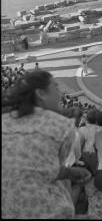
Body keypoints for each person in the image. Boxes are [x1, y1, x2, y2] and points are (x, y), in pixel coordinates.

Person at [2, 70, 91, 219]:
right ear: (41, 94)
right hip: (49, 212)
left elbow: (33, 169)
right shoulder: (61, 126)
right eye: (55, 87)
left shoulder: (4, 121)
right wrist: (69, 172)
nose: (60, 93)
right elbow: (41, 170)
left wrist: (69, 172)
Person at [78, 109, 102, 176]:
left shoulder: (82, 129)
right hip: (96, 158)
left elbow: (79, 146)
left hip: (86, 157)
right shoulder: (101, 130)